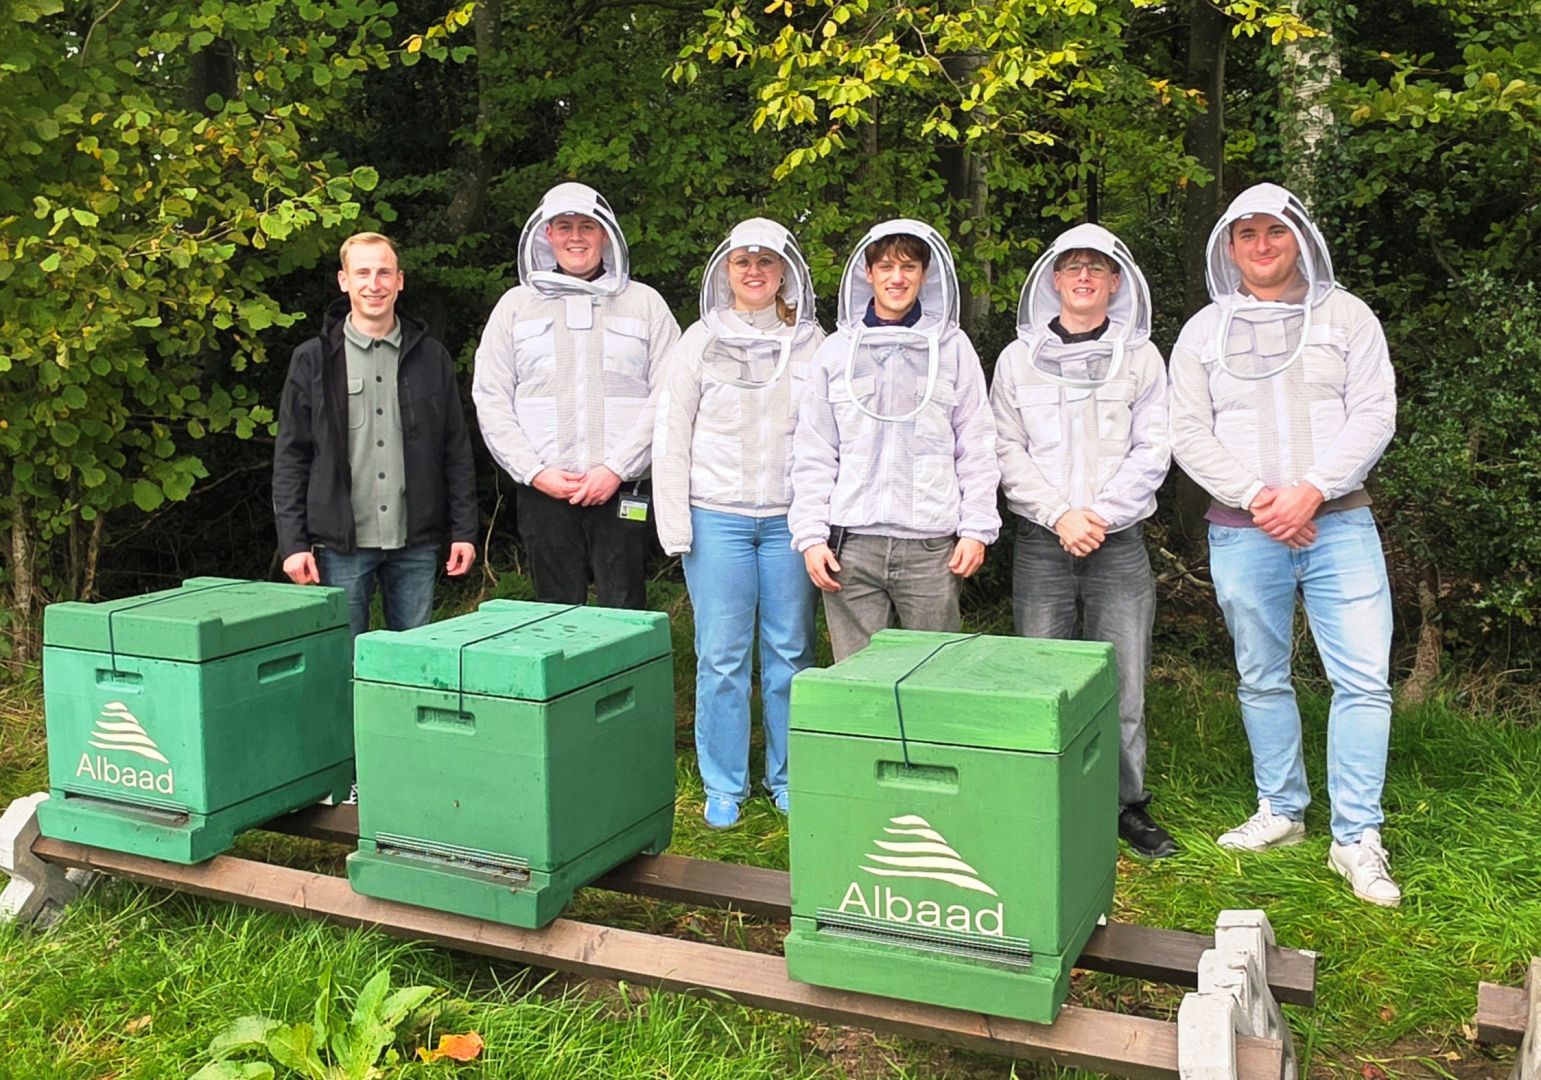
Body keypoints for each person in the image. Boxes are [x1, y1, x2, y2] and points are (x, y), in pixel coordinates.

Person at [1170, 183, 1400, 906]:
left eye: (1273, 231)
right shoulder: (1202, 332)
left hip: (1339, 522)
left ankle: (1356, 836)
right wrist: (1261, 500)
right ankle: (1282, 811)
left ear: (1297, 237)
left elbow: (1373, 413)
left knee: (1362, 678)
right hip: (1244, 534)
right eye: (1246, 235)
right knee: (1260, 675)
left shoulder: (1347, 317)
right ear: (1228, 248)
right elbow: (1186, 430)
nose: (1261, 245)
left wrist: (1310, 489)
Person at [991, 224, 1176, 859]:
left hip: (1118, 542)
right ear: (1053, 280)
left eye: (1097, 267)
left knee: (1123, 682)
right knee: (1041, 678)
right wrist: (1059, 515)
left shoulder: (1142, 358)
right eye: (1071, 267)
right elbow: (1005, 448)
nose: (1084, 277)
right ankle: (1046, 800)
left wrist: (1097, 515)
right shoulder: (1018, 360)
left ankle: (1126, 808)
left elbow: (1154, 448)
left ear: (1116, 282)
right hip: (1043, 543)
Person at [653, 219, 825, 828]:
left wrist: (820, 523)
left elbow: (828, 435)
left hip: (788, 520)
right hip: (717, 518)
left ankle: (788, 777)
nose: (754, 271)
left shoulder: (812, 342)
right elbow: (670, 436)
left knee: (792, 651)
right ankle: (724, 783)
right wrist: (676, 527)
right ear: (725, 271)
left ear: (785, 271)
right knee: (722, 656)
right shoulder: (698, 341)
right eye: (742, 262)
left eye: (766, 262)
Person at [789, 220, 1000, 661]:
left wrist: (977, 529)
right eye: (885, 266)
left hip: (931, 548)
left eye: (908, 266)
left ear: (925, 274)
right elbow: (814, 451)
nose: (897, 277)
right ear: (868, 273)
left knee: (936, 678)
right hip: (852, 547)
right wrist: (811, 536)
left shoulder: (954, 348)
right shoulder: (835, 352)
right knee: (862, 684)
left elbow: (976, 445)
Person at [473, 183, 681, 608]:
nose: (576, 237)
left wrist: (617, 469)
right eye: (564, 227)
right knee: (554, 609)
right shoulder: (515, 307)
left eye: (587, 226)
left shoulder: (645, 303)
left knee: (624, 608)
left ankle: (624, 676)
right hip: (544, 491)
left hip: (622, 489)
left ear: (605, 234)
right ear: (547, 235)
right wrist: (534, 472)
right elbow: (491, 397)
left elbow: (670, 396)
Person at [273, 232, 478, 638]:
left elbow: (455, 449)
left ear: (400, 281)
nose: (374, 284)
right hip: (339, 546)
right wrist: (293, 543)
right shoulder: (313, 360)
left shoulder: (431, 357)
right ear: (343, 280)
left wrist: (465, 531)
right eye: (362, 272)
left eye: (384, 272)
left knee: (412, 661)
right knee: (343, 661)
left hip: (416, 542)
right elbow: (291, 457)